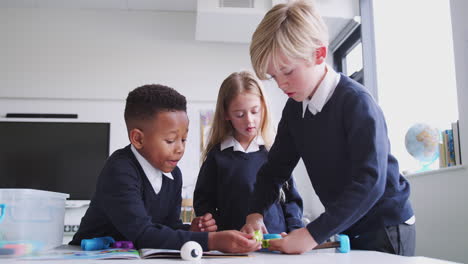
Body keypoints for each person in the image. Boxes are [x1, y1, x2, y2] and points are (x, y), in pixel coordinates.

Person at [241, 0, 416, 256]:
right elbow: (274, 171)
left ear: (319, 54)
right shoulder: (294, 109)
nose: (280, 83)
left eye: (287, 72)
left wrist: (310, 234)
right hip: (348, 226)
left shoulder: (355, 101)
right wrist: (255, 213)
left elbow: (371, 181)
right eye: (273, 76)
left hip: (386, 226)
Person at [70, 84, 261, 253]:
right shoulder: (120, 170)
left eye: (184, 139)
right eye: (170, 141)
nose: (180, 148)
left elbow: (168, 227)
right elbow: (143, 233)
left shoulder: (173, 174)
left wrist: (191, 231)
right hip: (88, 256)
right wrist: (212, 241)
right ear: (138, 139)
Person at [194, 71, 304, 235]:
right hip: (232, 246)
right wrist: (212, 229)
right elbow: (204, 202)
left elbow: (291, 200)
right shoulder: (217, 156)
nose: (249, 120)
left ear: (264, 108)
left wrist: (295, 230)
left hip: (275, 243)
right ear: (226, 114)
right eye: (240, 114)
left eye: (255, 111)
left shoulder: (275, 152)